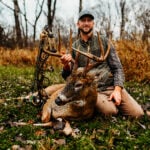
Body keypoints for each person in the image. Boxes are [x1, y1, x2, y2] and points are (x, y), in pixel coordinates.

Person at [60, 9, 144, 118]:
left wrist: (117, 90)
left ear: (93, 23)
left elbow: (118, 68)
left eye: (89, 20)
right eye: (83, 20)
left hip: (111, 86)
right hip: (92, 91)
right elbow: (69, 78)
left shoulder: (104, 41)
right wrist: (66, 65)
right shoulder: (74, 46)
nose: (86, 23)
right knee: (109, 112)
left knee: (138, 114)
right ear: (78, 24)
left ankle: (113, 100)